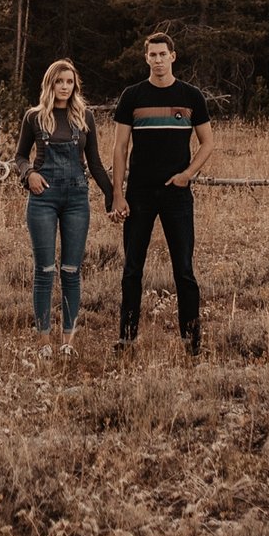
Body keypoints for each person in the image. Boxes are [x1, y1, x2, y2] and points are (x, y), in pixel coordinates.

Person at [108, 31, 214, 355]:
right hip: (139, 192)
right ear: (146, 59)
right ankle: (126, 338)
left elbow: (207, 143)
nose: (157, 60)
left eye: (162, 54)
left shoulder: (191, 96)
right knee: (132, 269)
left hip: (176, 195)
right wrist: (117, 194)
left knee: (183, 269)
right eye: (151, 55)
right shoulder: (132, 96)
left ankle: (192, 342)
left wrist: (187, 175)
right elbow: (120, 147)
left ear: (173, 56)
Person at [13, 58, 113, 355]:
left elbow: (94, 162)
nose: (65, 87)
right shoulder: (34, 117)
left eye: (69, 82)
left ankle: (67, 342)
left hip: (76, 199)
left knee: (71, 270)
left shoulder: (85, 117)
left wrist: (112, 196)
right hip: (43, 198)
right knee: (44, 270)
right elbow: (19, 156)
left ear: (75, 85)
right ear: (50, 84)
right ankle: (44, 342)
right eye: (60, 82)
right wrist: (28, 174)